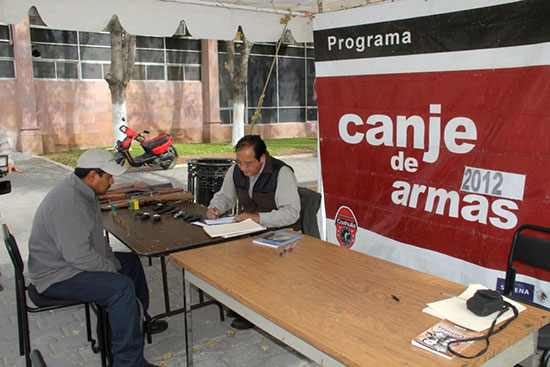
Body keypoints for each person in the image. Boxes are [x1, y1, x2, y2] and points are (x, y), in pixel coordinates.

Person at [27, 149, 165, 367]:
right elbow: (79, 256)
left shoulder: (83, 191)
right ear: (92, 176)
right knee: (120, 288)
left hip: (68, 263)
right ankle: (128, 362)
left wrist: (112, 263)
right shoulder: (69, 202)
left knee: (130, 263)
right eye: (108, 177)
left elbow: (97, 243)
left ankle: (135, 321)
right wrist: (111, 269)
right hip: (56, 275)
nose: (112, 181)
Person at [206, 135, 301, 329]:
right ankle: (242, 300)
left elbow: (291, 213)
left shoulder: (282, 173)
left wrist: (259, 218)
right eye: (239, 162)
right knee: (227, 253)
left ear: (262, 158)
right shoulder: (236, 171)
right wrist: (215, 207)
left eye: (248, 164)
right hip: (251, 228)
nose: (243, 168)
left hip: (282, 230)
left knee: (254, 258)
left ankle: (255, 308)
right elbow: (225, 197)